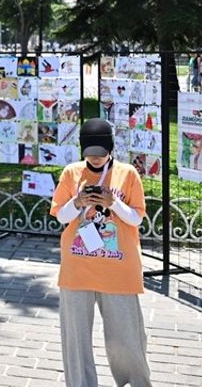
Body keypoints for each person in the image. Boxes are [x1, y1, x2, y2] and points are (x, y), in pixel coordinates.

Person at [49, 118, 150, 387]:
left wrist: (112, 203)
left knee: (127, 339)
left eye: (100, 153)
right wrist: (78, 201)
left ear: (111, 149)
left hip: (119, 269)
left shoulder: (128, 174)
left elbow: (136, 219)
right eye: (89, 153)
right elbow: (60, 216)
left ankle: (135, 382)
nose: (94, 158)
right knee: (75, 339)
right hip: (77, 269)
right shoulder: (72, 173)